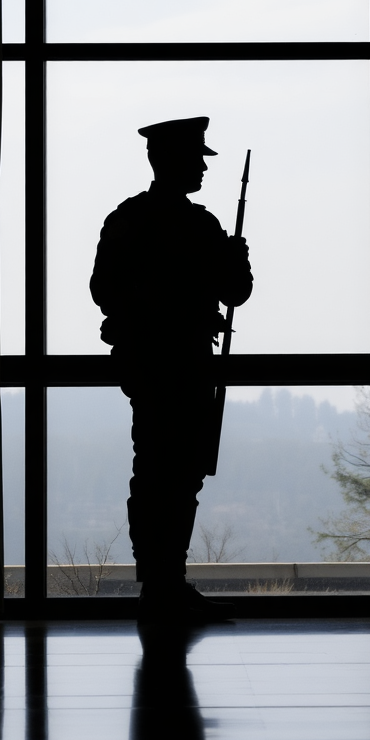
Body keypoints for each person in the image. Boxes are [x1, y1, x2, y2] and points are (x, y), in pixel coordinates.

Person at [90, 117, 253, 623]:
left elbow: (235, 293)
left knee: (175, 475)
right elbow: (105, 290)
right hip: (165, 364)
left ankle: (165, 582)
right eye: (195, 159)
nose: (202, 168)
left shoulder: (153, 221)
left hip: (176, 364)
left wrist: (235, 260)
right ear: (169, 162)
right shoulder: (162, 223)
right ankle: (161, 584)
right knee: (165, 473)